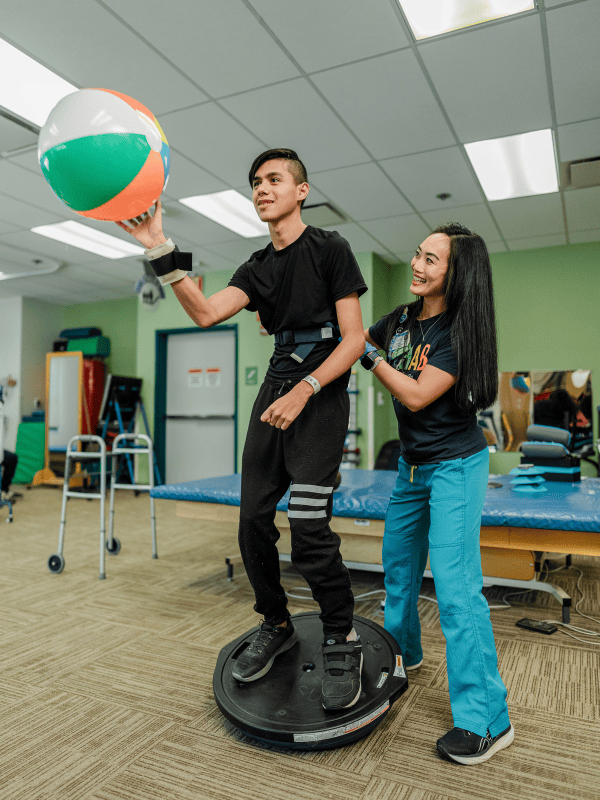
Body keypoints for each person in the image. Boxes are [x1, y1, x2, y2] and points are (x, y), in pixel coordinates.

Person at [118, 148, 367, 711]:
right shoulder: (256, 266)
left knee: (306, 522)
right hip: (275, 390)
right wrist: (159, 246)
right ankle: (275, 623)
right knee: (253, 518)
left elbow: (353, 339)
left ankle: (340, 633)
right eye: (255, 182)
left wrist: (306, 390)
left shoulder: (331, 248)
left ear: (301, 190)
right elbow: (205, 312)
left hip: (320, 395)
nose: (262, 188)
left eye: (274, 179)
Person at [362, 223, 513, 764]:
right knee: (398, 571)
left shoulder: (457, 330)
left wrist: (367, 356)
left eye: (431, 260)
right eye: (417, 253)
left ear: (456, 273)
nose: (417, 265)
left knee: (455, 587)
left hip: (456, 466)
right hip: (412, 467)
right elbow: (359, 332)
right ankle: (401, 654)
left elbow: (418, 395)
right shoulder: (401, 319)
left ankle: (488, 719)